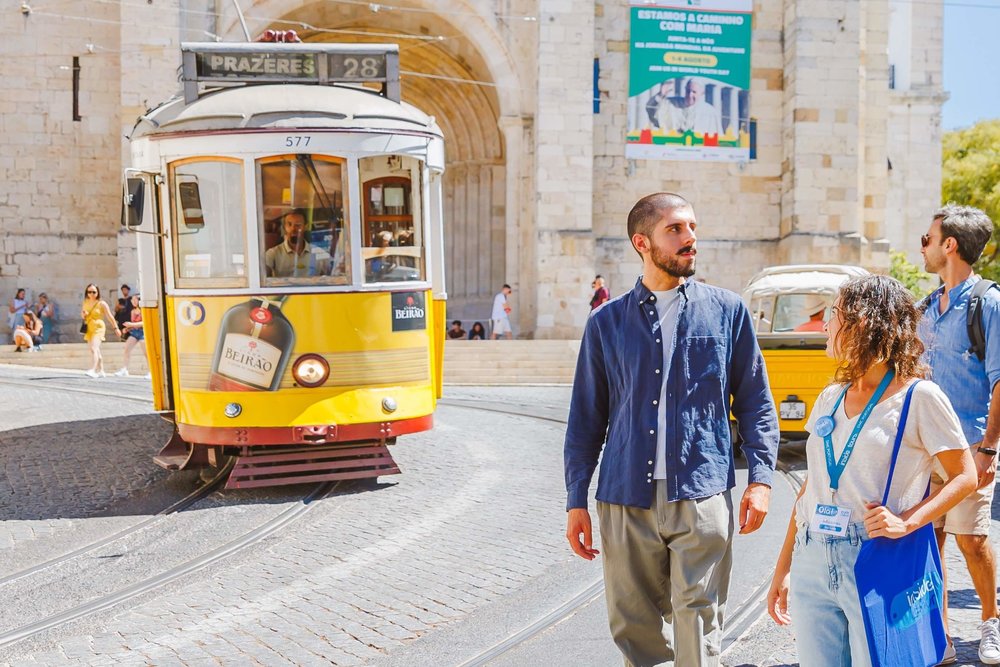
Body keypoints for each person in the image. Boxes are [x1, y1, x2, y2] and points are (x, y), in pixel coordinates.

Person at [564, 192, 779, 666]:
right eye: (675, 230)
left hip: (700, 491)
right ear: (642, 242)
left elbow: (756, 402)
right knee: (632, 623)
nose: (690, 240)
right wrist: (575, 498)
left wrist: (761, 479)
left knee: (698, 617)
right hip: (624, 497)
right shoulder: (606, 322)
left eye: (692, 228)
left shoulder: (727, 311)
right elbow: (586, 417)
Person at [766, 275, 977, 666]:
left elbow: (965, 476)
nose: (826, 325)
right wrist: (785, 569)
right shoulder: (831, 396)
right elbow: (810, 487)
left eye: (834, 314)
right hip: (813, 556)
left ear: (864, 322)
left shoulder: (920, 396)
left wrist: (908, 521)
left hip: (876, 554)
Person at [918, 203, 1000, 664]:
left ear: (949, 245)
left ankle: (991, 624)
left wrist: (988, 447)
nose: (923, 249)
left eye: (927, 240)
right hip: (924, 447)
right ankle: (939, 635)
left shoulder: (988, 303)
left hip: (969, 448)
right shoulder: (928, 305)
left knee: (971, 539)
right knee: (929, 542)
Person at [264, 209, 331, 278]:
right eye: (289, 224)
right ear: (284, 227)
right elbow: (261, 275)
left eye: (298, 225)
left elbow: (334, 277)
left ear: (306, 227)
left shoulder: (319, 254)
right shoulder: (273, 254)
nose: (293, 229)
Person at [81, 283, 120, 378]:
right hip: (89, 327)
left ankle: (93, 370)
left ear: (98, 292)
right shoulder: (85, 302)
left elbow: (110, 316)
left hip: (98, 327)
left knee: (94, 348)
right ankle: (101, 370)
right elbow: (82, 315)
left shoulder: (102, 303)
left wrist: (116, 328)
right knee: (94, 349)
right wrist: (84, 314)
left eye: (94, 292)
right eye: (89, 292)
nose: (91, 294)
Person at [114, 293, 149, 378]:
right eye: (132, 300)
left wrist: (131, 325)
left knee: (146, 353)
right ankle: (124, 369)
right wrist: (128, 328)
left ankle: (151, 371)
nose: (132, 301)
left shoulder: (144, 310)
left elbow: (144, 323)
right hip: (134, 332)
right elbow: (133, 323)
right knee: (127, 349)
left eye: (134, 299)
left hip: (143, 333)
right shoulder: (133, 311)